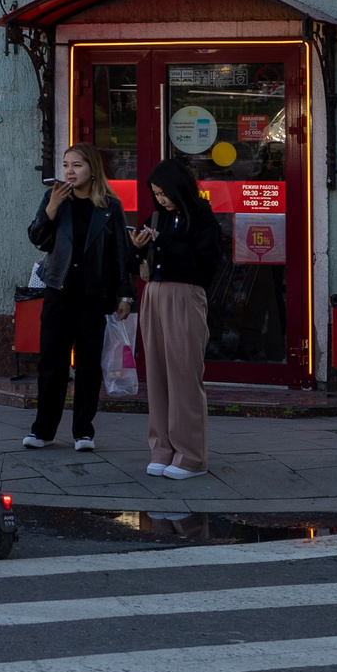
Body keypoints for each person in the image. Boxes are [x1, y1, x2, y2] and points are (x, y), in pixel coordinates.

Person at [23, 142, 134, 453]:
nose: (69, 171)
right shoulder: (55, 198)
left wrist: (125, 295)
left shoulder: (109, 206)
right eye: (66, 165)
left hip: (94, 294)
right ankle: (43, 430)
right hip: (59, 290)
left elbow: (120, 254)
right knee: (52, 363)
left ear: (92, 170)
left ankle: (83, 431)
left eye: (77, 165)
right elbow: (38, 239)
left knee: (87, 364)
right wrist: (51, 209)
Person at [133, 158, 222, 480]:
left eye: (164, 192)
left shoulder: (202, 219)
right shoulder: (158, 217)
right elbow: (139, 262)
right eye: (156, 194)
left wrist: (163, 242)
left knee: (184, 377)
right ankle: (162, 449)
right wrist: (139, 248)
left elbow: (204, 267)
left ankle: (191, 456)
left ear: (178, 187)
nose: (161, 199)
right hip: (154, 295)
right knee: (156, 376)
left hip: (185, 296)